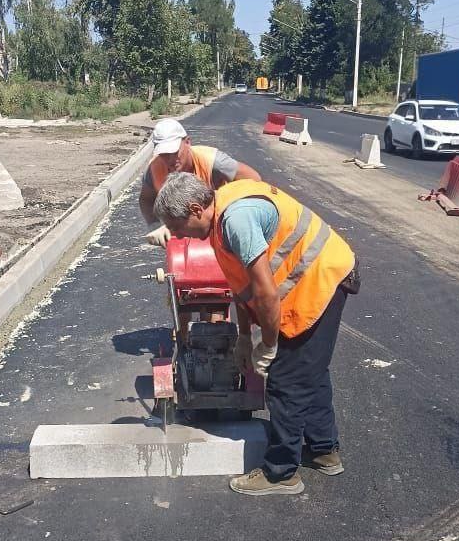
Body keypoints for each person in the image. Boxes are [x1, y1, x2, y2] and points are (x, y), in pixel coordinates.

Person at [154, 172, 358, 497]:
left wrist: (270, 343)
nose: (180, 236)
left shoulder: (236, 221)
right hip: (312, 279)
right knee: (309, 371)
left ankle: (281, 474)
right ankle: (324, 451)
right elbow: (241, 285)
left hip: (322, 279)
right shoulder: (220, 214)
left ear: (195, 209)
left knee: (285, 379)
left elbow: (265, 292)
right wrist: (245, 337)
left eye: (178, 227)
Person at [139, 117, 260, 246]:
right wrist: (155, 226)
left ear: (187, 142)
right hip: (185, 232)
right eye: (164, 154)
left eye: (174, 152)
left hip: (221, 225)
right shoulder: (154, 169)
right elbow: (146, 200)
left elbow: (254, 181)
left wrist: (235, 215)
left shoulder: (213, 161)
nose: (169, 159)